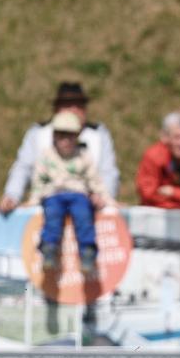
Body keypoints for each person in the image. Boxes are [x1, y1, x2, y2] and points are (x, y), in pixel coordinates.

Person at [0, 82, 119, 213]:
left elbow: (108, 172)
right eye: (67, 105)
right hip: (47, 206)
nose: (74, 110)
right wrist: (12, 195)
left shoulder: (99, 135)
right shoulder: (38, 133)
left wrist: (104, 199)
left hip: (87, 207)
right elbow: (23, 168)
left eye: (78, 106)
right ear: (56, 109)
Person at [26, 111, 115, 277]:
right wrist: (33, 199)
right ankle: (49, 249)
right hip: (54, 194)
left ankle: (87, 252)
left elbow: (94, 180)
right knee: (52, 215)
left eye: (70, 136)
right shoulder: (47, 156)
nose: (66, 141)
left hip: (78, 194)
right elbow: (38, 181)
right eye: (61, 135)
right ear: (54, 136)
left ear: (77, 137)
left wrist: (106, 199)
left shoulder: (83, 156)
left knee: (83, 216)